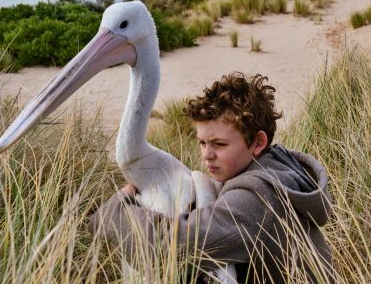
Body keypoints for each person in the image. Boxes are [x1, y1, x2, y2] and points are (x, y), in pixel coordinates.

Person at [88, 72, 333, 283]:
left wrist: (115, 211)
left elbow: (169, 247)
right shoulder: (277, 167)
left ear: (258, 142)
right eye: (202, 142)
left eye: (219, 144)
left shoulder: (258, 199)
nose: (207, 155)